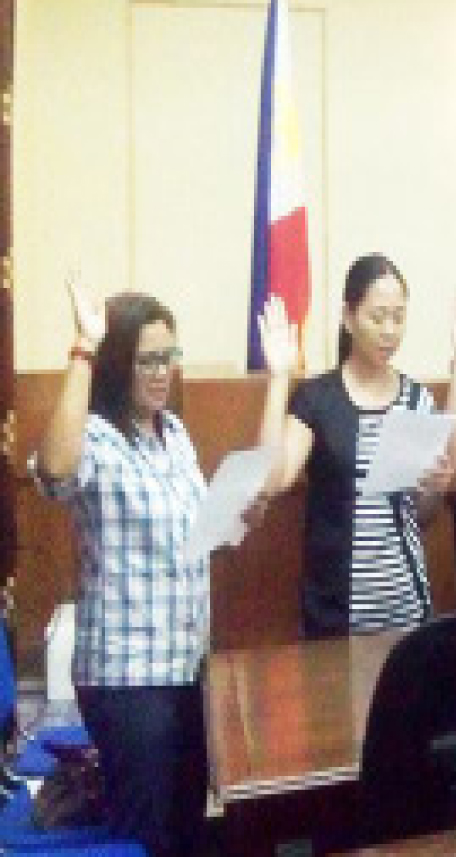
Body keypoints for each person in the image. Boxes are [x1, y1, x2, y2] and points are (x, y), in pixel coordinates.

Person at [32, 279, 208, 854]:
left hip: (185, 666)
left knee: (188, 826)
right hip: (128, 676)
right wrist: (83, 347)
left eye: (168, 357)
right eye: (146, 360)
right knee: (144, 834)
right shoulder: (97, 438)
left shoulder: (174, 434)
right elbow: (55, 470)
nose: (161, 372)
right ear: (117, 365)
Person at [256, 254, 456, 638]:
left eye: (398, 317)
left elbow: (432, 496)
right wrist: (279, 378)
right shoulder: (318, 399)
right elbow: (271, 478)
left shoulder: (414, 399)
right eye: (377, 317)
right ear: (348, 316)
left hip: (407, 607)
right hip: (336, 617)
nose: (389, 330)